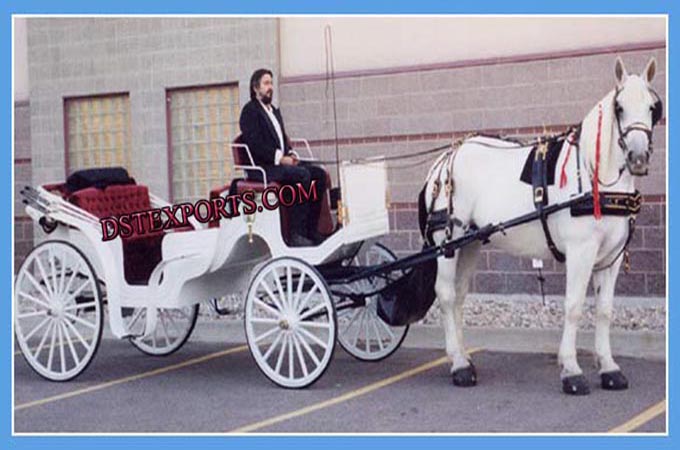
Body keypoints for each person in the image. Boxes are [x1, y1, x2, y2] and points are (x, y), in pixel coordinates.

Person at [239, 68, 327, 247]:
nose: (270, 87)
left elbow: (283, 141)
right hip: (263, 168)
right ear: (256, 88)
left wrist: (291, 154)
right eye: (266, 83)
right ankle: (296, 234)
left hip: (279, 164)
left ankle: (311, 230)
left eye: (271, 83)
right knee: (302, 175)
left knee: (318, 174)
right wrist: (280, 158)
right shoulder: (250, 111)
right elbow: (255, 144)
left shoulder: (274, 111)